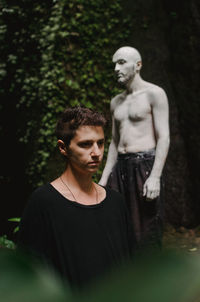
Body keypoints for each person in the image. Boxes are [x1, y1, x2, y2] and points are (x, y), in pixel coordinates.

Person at [17, 106, 134, 290]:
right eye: (86, 144)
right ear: (63, 147)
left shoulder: (115, 202)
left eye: (101, 143)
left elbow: (131, 266)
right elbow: (28, 277)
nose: (96, 152)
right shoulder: (44, 202)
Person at [99, 46, 170, 249]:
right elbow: (114, 141)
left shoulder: (155, 94)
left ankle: (151, 276)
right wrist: (103, 180)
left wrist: (155, 176)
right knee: (118, 225)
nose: (115, 68)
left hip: (144, 166)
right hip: (119, 168)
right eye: (114, 63)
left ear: (138, 65)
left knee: (148, 226)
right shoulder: (116, 102)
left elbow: (164, 137)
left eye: (121, 62)